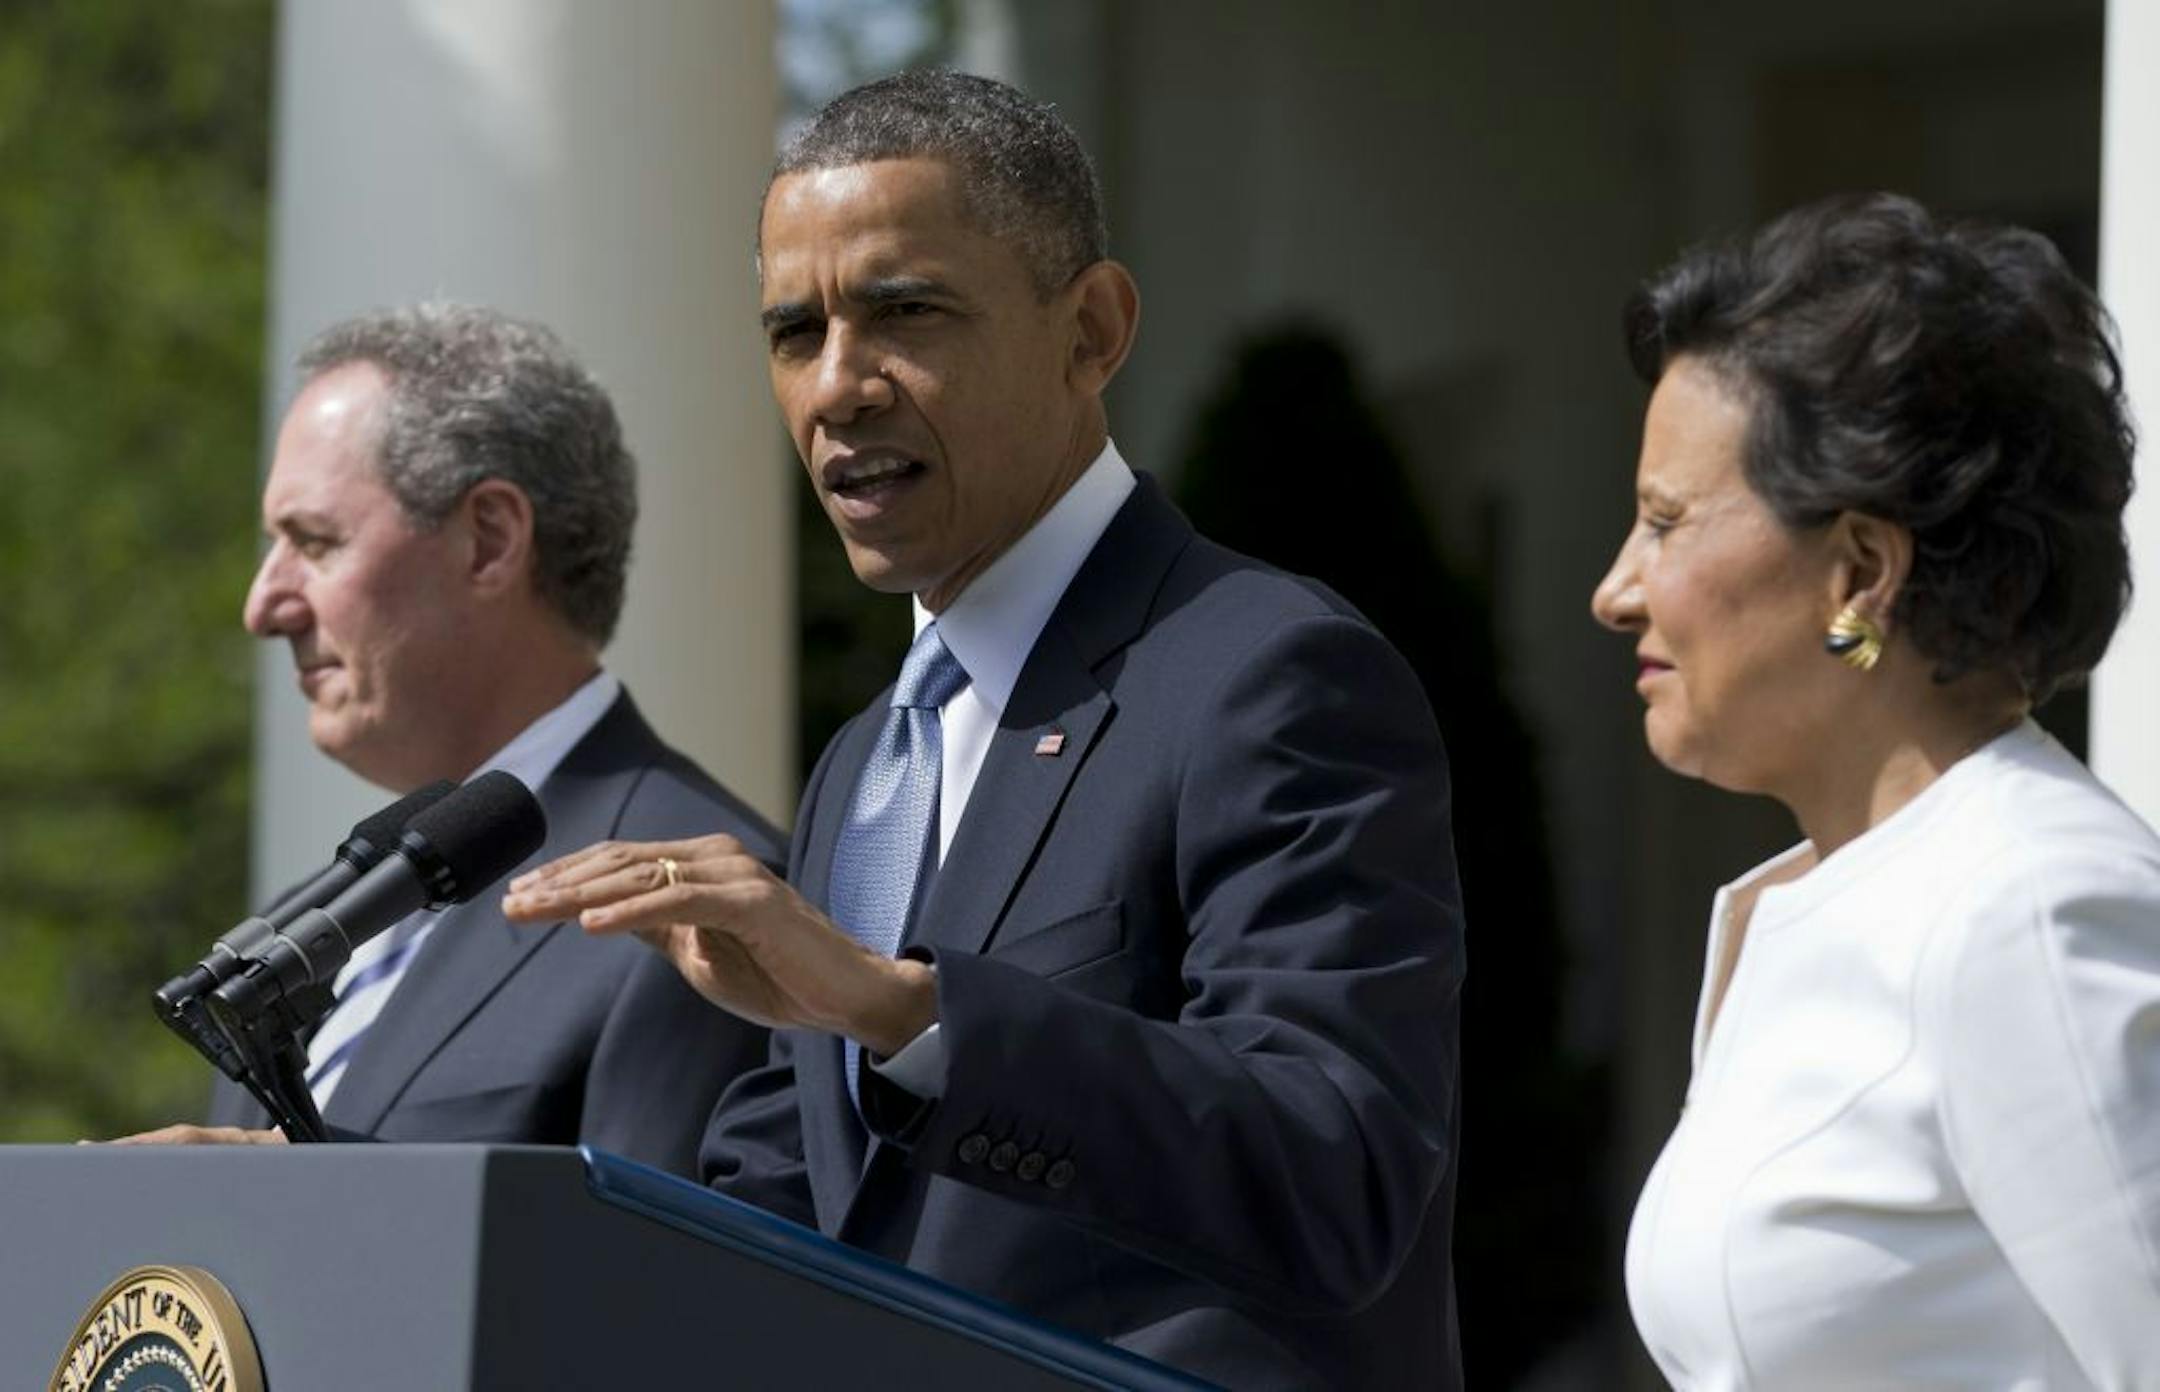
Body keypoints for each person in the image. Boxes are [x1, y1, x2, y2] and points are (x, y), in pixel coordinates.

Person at [503, 72, 1465, 1389]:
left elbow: (1338, 1169)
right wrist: (377, 1210)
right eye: (794, 334)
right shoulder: (870, 761)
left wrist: (908, 1012)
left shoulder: (1271, 673)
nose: (837, 387)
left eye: (904, 313)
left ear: (1092, 330)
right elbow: (806, 1203)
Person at [1593, 193, 2160, 1387]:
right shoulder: (1819, 896)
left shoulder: (2029, 908)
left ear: (1860, 571)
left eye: (1663, 522)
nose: (1617, 589)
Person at [134, 304, 781, 1179]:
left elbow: (654, 1286)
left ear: (490, 541)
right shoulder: (327, 913)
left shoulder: (701, 902)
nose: (264, 605)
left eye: (314, 542)